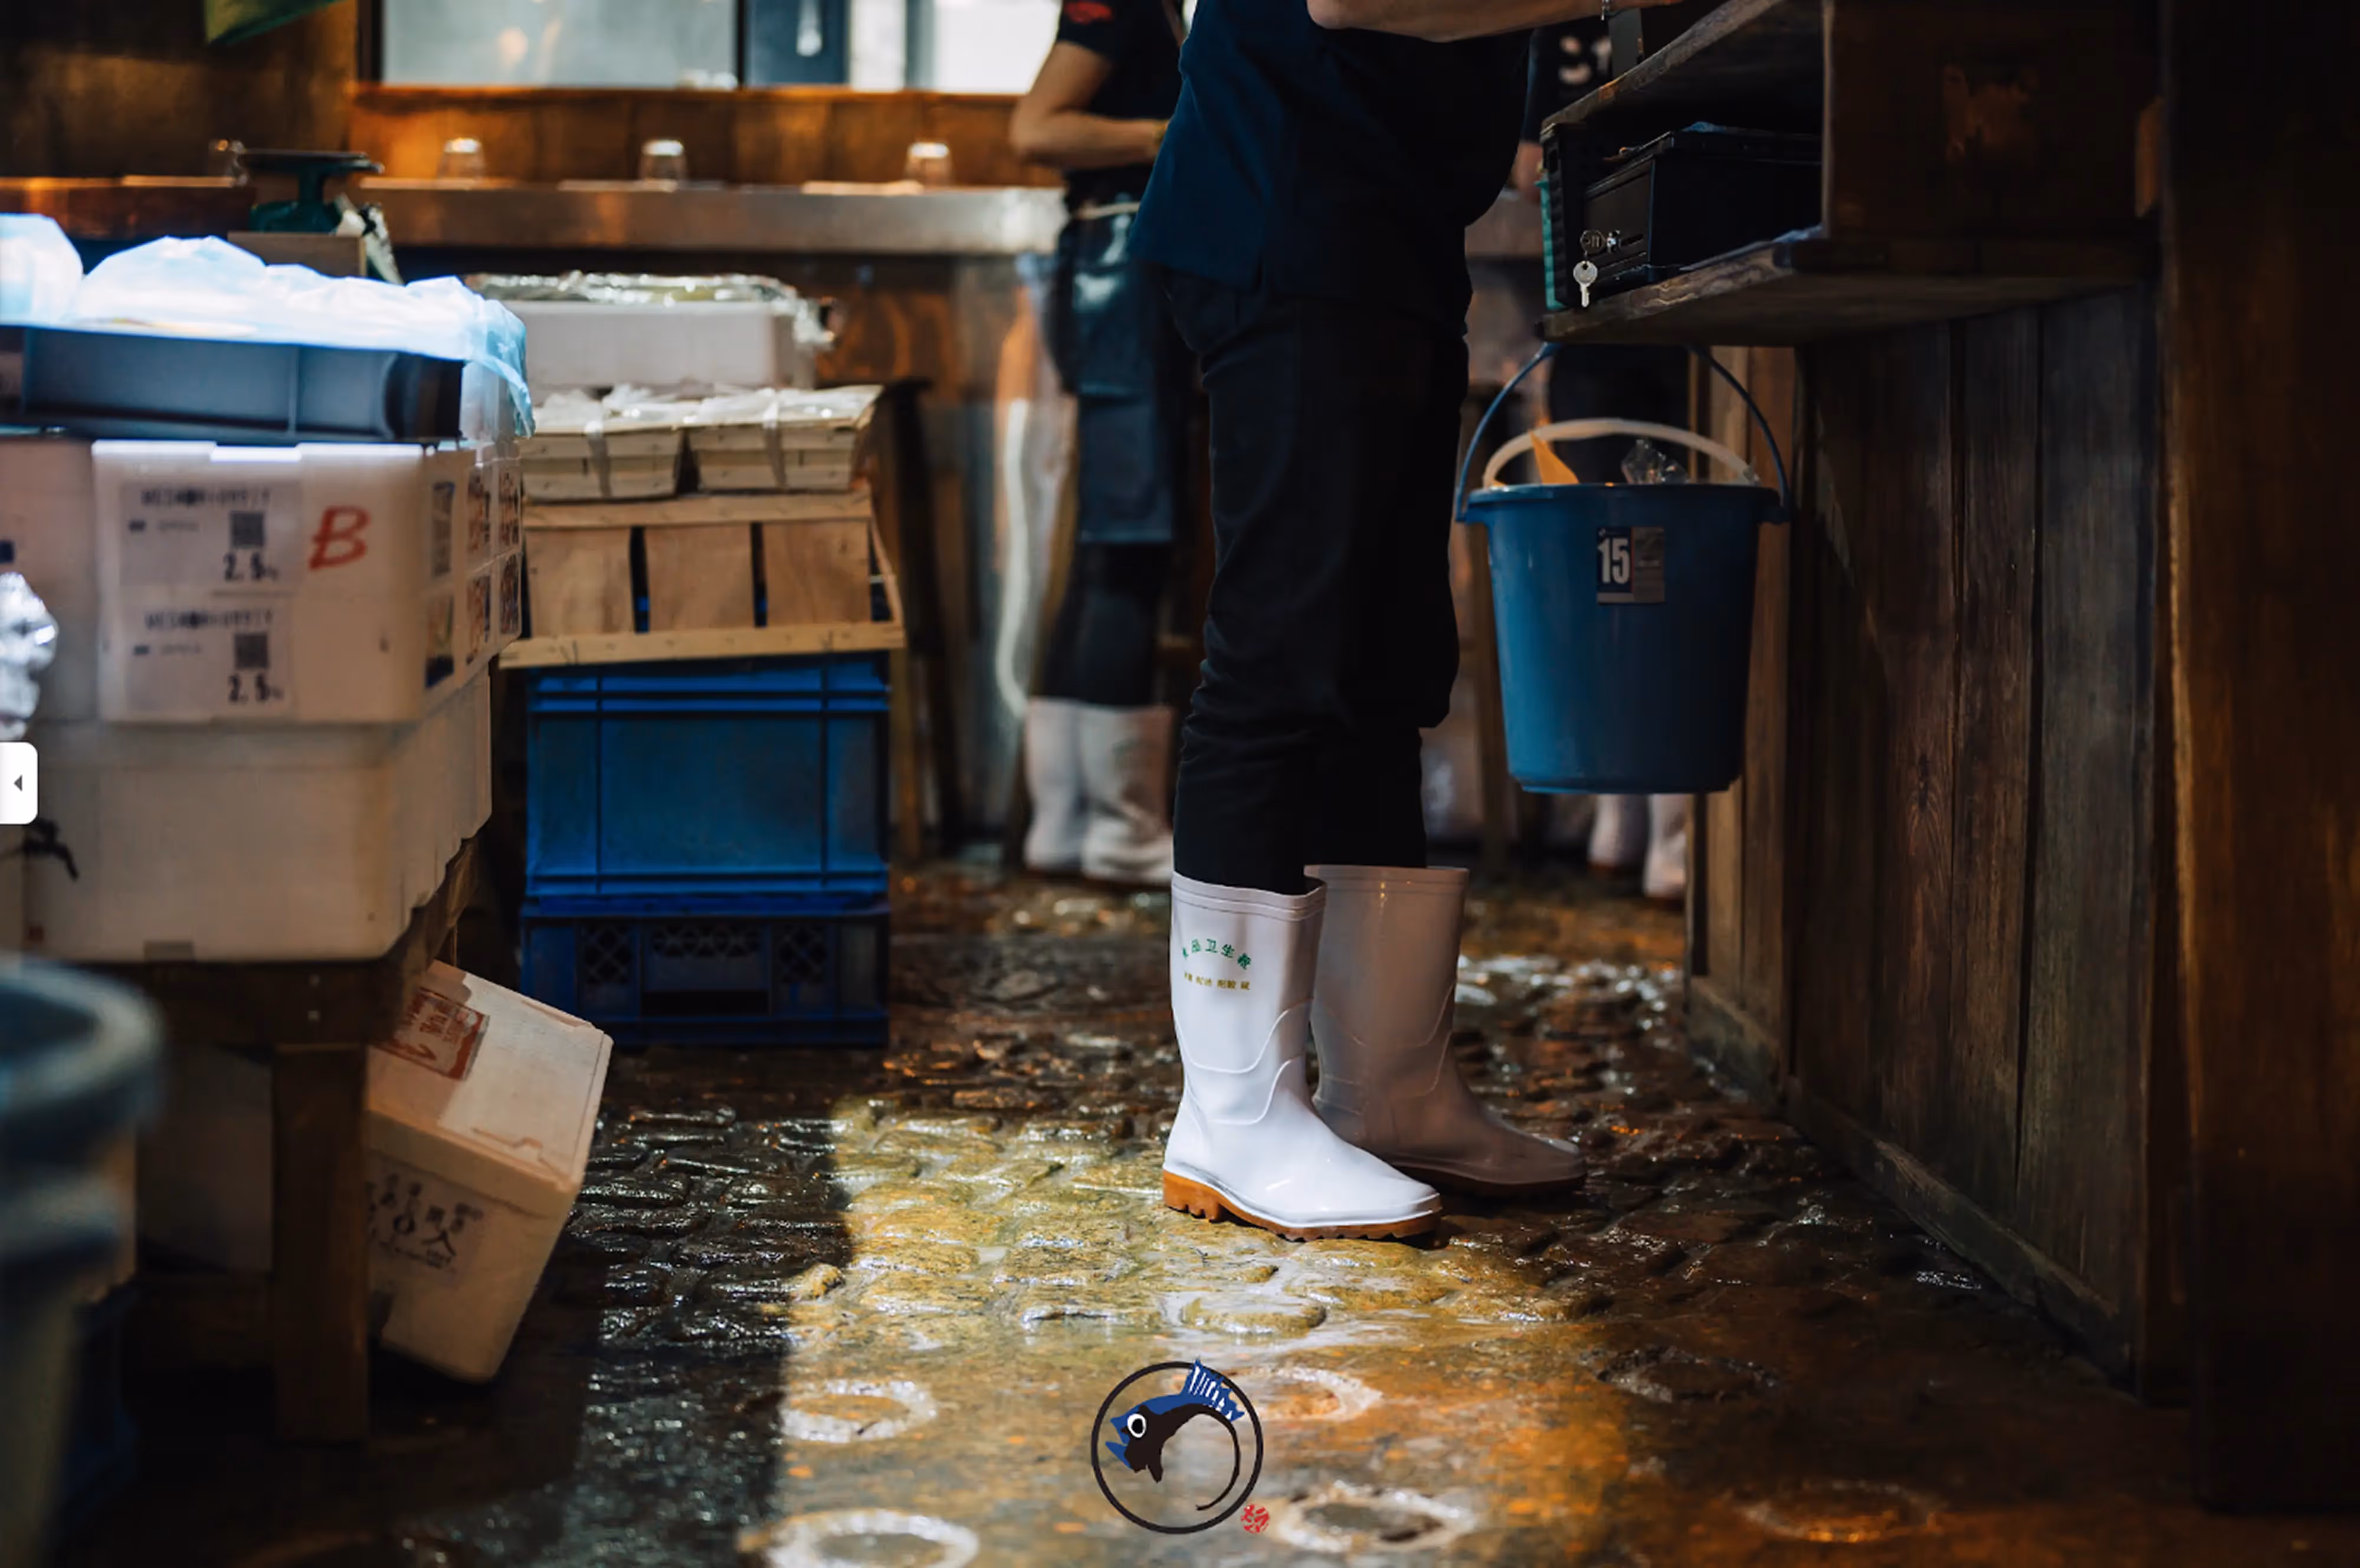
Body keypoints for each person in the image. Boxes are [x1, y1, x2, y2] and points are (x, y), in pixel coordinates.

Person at [1133, 0, 1611, 1242]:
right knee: (1283, 661)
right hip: (1287, 218)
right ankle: (1231, 1118)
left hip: (1382, 239)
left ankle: (1385, 1090)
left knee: (1387, 669)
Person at [1008, 0, 1192, 887]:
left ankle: (1070, 821)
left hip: (1116, 272)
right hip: (1122, 273)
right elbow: (1037, 125)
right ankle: (1119, 827)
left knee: (1107, 545)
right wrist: (1170, 135)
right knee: (1129, 541)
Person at [1519, 20, 1695, 905]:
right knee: (1621, 563)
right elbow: (1522, 160)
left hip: (1679, 309)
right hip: (1595, 318)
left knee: (1656, 562)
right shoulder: (1545, 21)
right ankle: (1631, 816)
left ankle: (1658, 824)